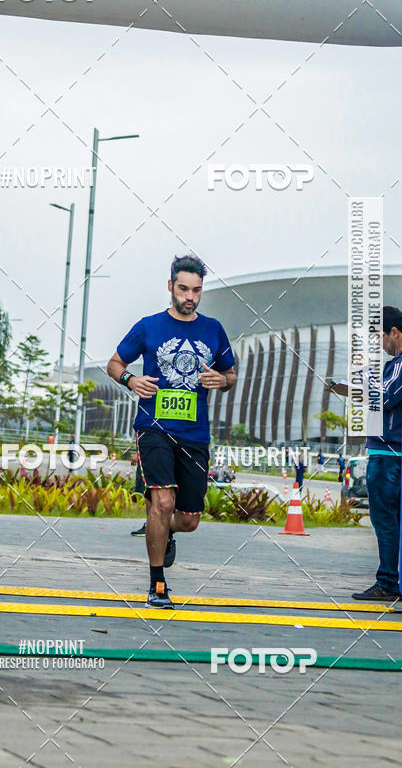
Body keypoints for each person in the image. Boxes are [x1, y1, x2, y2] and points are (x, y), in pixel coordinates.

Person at [107, 254, 237, 608]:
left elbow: (231, 374)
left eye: (196, 290)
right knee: (163, 500)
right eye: (183, 288)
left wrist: (221, 380)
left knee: (189, 519)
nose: (190, 296)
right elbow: (114, 363)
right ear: (170, 287)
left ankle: (161, 530)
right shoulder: (149, 326)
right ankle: (157, 584)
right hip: (154, 427)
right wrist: (130, 379)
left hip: (194, 434)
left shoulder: (213, 329)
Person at [352, 306, 402, 602]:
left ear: (394, 332)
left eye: (380, 337)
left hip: (388, 454)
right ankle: (395, 578)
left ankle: (388, 581)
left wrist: (363, 376)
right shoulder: (399, 363)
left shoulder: (401, 363)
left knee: (385, 519)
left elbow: (384, 398)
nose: (379, 345)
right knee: (393, 520)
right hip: (392, 452)